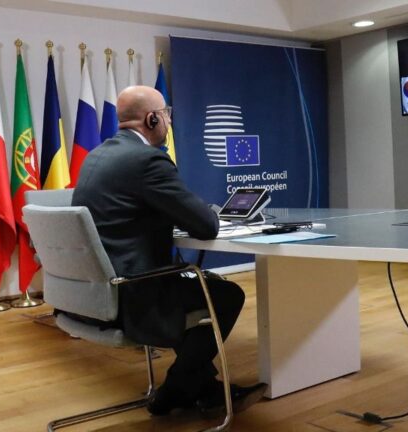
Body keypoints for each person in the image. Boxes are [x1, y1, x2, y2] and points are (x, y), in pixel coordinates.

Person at [71, 85, 266, 417]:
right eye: (166, 116)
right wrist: (202, 211)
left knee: (195, 291)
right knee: (226, 295)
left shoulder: (97, 155)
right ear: (151, 118)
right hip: (132, 291)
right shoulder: (148, 160)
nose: (169, 123)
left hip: (93, 290)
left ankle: (204, 389)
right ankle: (175, 389)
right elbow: (206, 226)